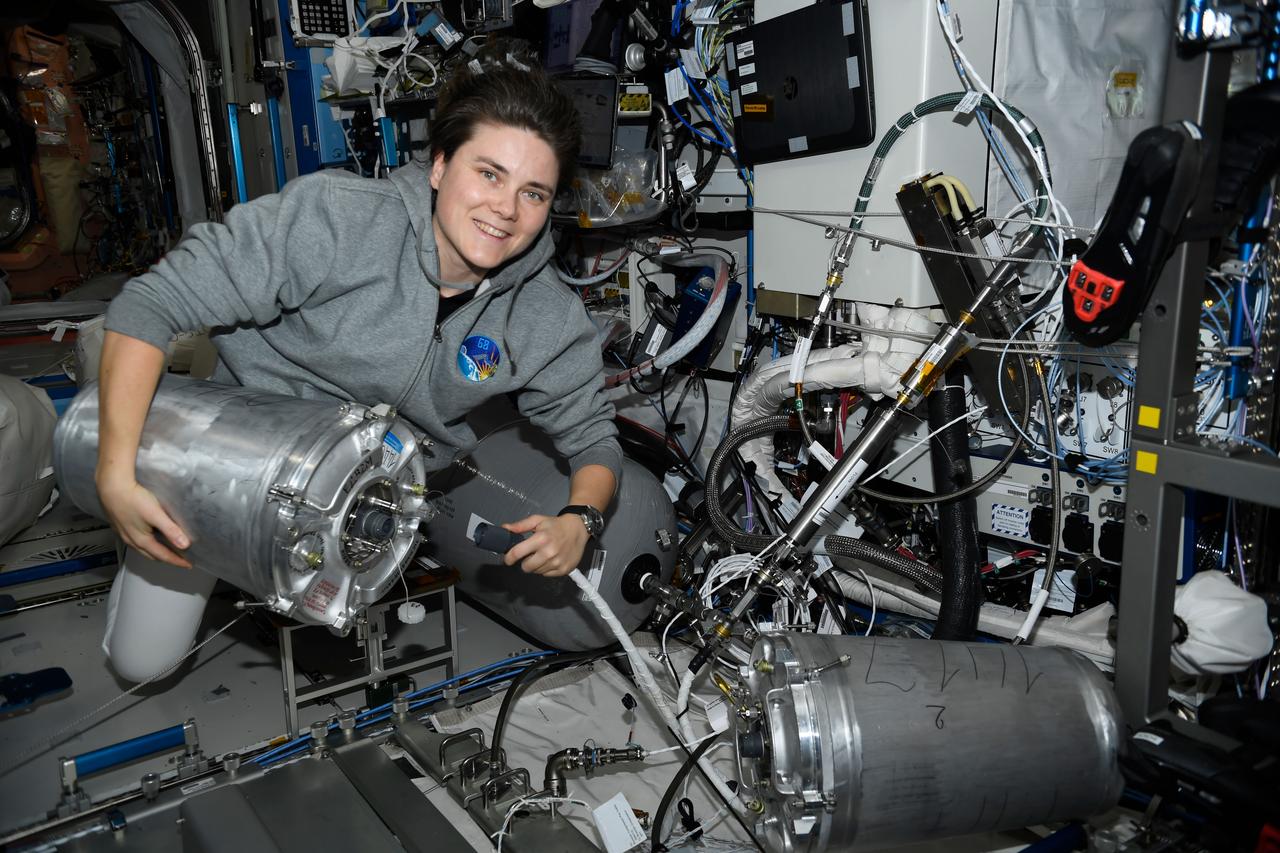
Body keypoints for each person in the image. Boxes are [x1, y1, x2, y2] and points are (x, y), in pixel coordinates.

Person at [93, 44, 621, 681]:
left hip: (363, 493)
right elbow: (151, 304)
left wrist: (581, 519)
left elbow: (595, 438)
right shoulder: (340, 220)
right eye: (489, 174)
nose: (506, 209)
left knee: (325, 621)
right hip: (236, 458)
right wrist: (115, 474)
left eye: (533, 192)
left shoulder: (544, 313)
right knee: (143, 661)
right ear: (440, 165)